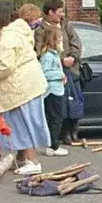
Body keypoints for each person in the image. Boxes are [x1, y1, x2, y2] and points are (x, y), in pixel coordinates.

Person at [0, 0, 50, 176]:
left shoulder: (7, 35)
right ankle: (22, 159)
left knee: (20, 124)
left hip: (19, 86)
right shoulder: (20, 28)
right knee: (26, 121)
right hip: (32, 82)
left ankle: (33, 161)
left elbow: (6, 65)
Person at [45, 0, 84, 146]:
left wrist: (73, 57)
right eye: (60, 11)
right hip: (57, 71)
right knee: (61, 105)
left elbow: (76, 43)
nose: (62, 14)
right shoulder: (42, 29)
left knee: (75, 101)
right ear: (51, 12)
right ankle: (63, 134)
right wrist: (62, 60)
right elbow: (44, 48)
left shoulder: (67, 25)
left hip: (71, 69)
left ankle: (74, 130)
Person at [37, 22, 70, 157]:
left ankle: (52, 143)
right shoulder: (48, 57)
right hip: (52, 91)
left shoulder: (55, 55)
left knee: (57, 118)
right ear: (53, 41)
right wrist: (60, 75)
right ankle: (53, 145)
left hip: (58, 89)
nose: (62, 42)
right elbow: (44, 73)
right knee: (55, 119)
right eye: (60, 39)